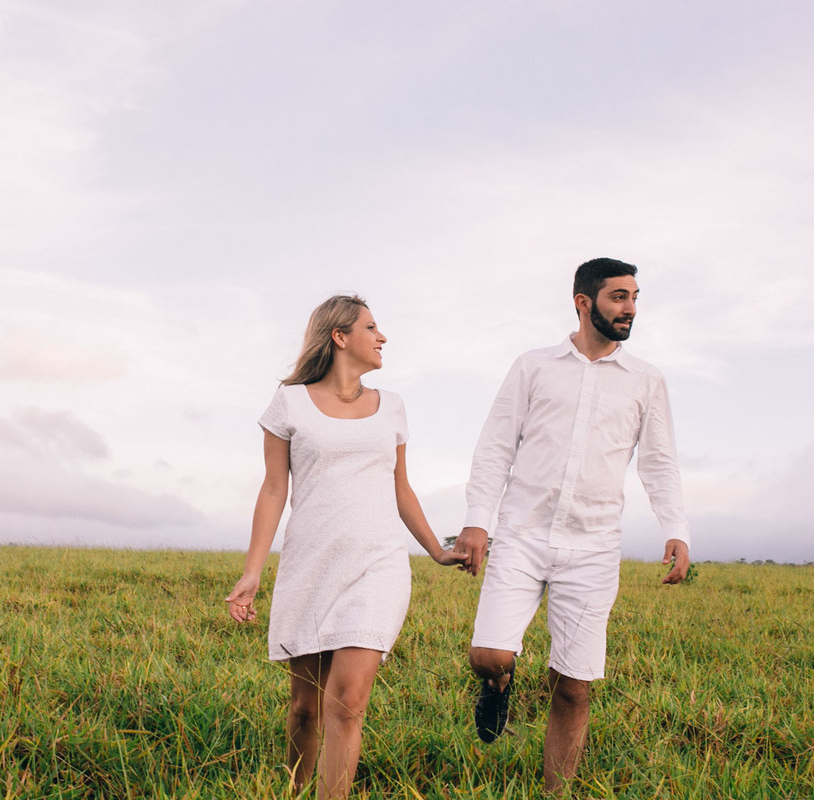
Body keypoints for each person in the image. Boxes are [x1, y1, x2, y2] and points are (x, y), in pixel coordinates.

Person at [453, 258, 691, 796]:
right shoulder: (534, 366)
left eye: (634, 297)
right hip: (521, 536)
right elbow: (495, 448)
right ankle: (498, 682)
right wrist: (477, 523)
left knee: (574, 687)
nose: (630, 308)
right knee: (487, 654)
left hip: (593, 548)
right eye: (617, 297)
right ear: (584, 303)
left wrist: (675, 528)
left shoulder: (646, 381)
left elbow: (659, 461)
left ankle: (554, 792)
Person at [225, 294, 464, 800]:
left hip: (378, 564)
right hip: (311, 564)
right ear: (340, 337)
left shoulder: (392, 406)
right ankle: (294, 792)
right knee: (305, 710)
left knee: (347, 702)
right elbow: (273, 491)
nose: (382, 338)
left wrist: (436, 551)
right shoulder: (289, 403)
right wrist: (253, 572)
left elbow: (402, 488)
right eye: (372, 328)